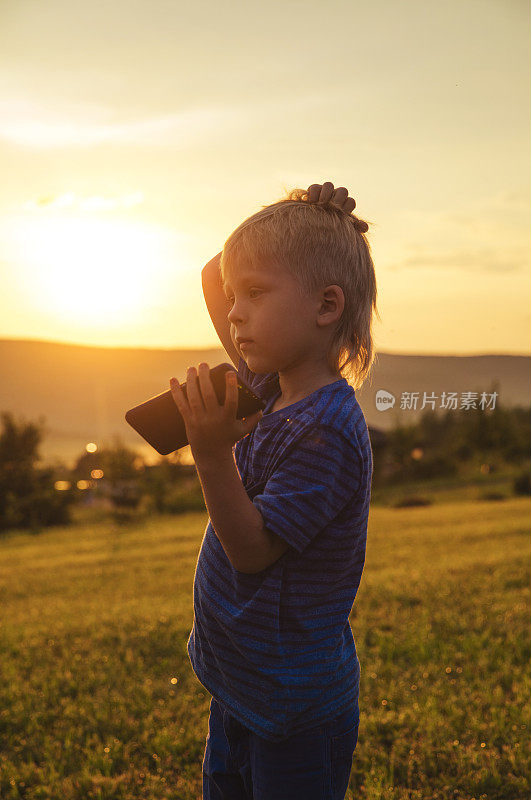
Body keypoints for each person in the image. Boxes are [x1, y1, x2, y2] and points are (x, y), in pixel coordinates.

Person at [169, 181, 379, 799]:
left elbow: (253, 552)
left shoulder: (329, 429)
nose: (233, 314)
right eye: (236, 298)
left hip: (293, 711)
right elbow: (217, 273)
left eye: (255, 296)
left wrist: (209, 453)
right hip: (241, 688)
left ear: (326, 306)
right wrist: (298, 210)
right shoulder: (268, 385)